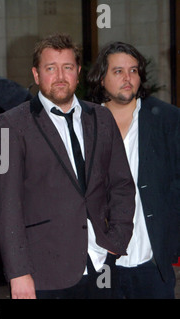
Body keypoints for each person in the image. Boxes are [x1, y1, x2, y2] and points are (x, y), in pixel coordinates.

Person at [0, 34, 136, 299]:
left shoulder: (101, 117)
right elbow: (6, 206)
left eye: (67, 67)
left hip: (100, 262)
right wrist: (18, 273)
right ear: (36, 75)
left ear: (78, 72)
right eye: (50, 68)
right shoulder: (10, 124)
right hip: (43, 272)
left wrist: (118, 238)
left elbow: (122, 184)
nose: (60, 76)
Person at [87, 41, 180, 299]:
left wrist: (170, 240)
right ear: (101, 79)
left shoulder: (168, 120)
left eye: (134, 71)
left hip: (152, 263)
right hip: (101, 264)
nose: (127, 78)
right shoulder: (85, 124)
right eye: (118, 71)